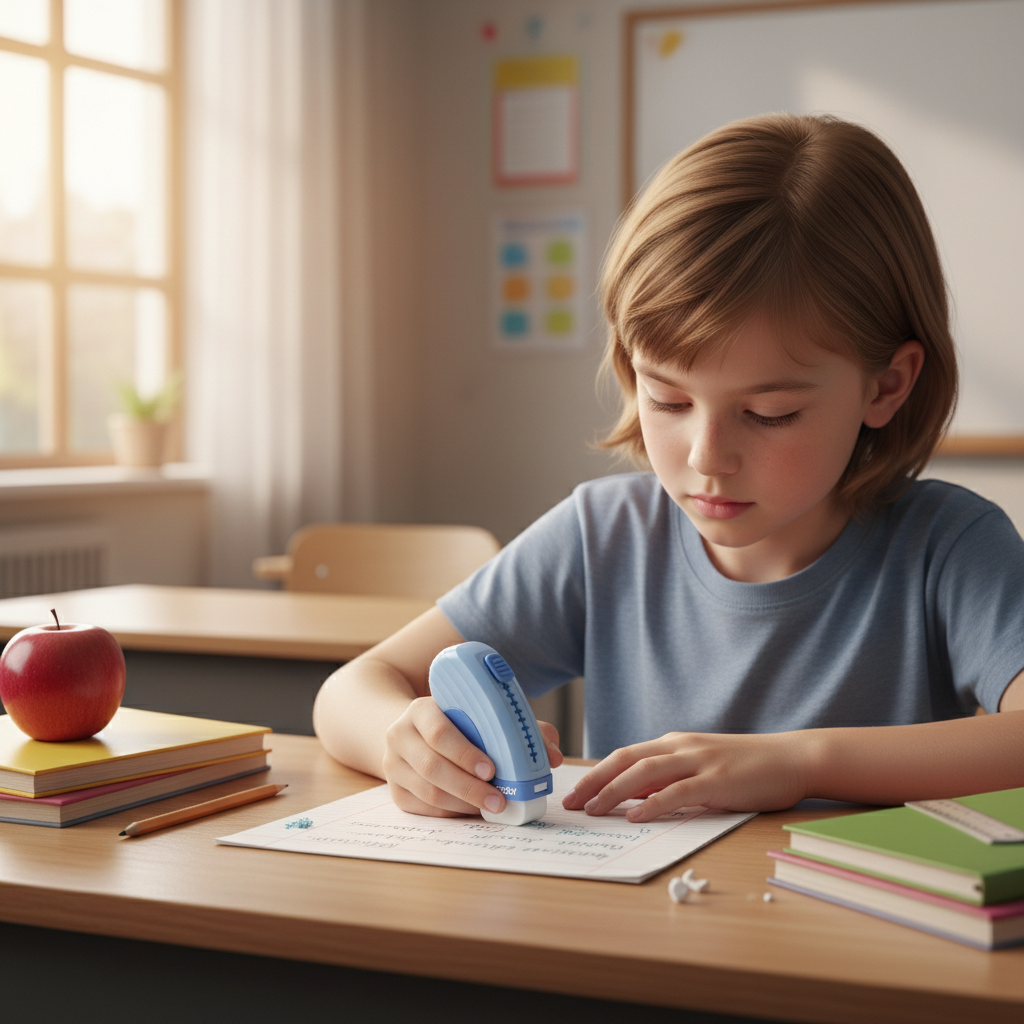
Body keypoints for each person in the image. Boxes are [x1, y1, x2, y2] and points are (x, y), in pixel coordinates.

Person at [313, 113, 1024, 823]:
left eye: (770, 413)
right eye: (668, 398)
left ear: (886, 385)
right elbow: (354, 688)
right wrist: (402, 743)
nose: (705, 457)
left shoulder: (949, 546)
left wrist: (798, 763)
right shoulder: (605, 535)